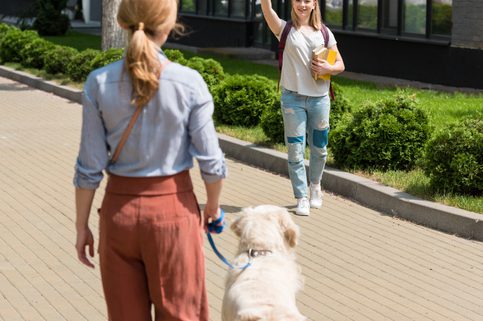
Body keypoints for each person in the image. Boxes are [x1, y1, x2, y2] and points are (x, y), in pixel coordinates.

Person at [73, 0, 226, 320]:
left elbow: (89, 167)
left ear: (123, 23)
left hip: (119, 216)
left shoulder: (98, 82)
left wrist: (82, 226)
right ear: (169, 25)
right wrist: (212, 206)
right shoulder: (189, 82)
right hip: (172, 213)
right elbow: (211, 162)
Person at [261, 0, 345, 216]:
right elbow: (267, 10)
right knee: (295, 150)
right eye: (298, 0)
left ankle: (315, 186)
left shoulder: (324, 33)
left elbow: (341, 65)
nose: (302, 5)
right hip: (293, 100)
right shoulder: (284, 29)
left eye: (307, 1)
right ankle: (301, 197)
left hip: (320, 99)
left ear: (314, 4)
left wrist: (329, 67)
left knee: (320, 148)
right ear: (293, 3)